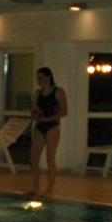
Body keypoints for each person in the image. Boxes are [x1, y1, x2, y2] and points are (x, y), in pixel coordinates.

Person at [27, 67, 67, 197]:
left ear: (48, 77)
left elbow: (64, 111)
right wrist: (35, 115)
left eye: (41, 77)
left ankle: (49, 189)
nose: (38, 80)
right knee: (33, 159)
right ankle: (36, 188)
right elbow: (34, 110)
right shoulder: (37, 93)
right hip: (40, 126)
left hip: (52, 127)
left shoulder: (58, 92)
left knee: (50, 158)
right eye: (37, 78)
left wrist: (47, 118)